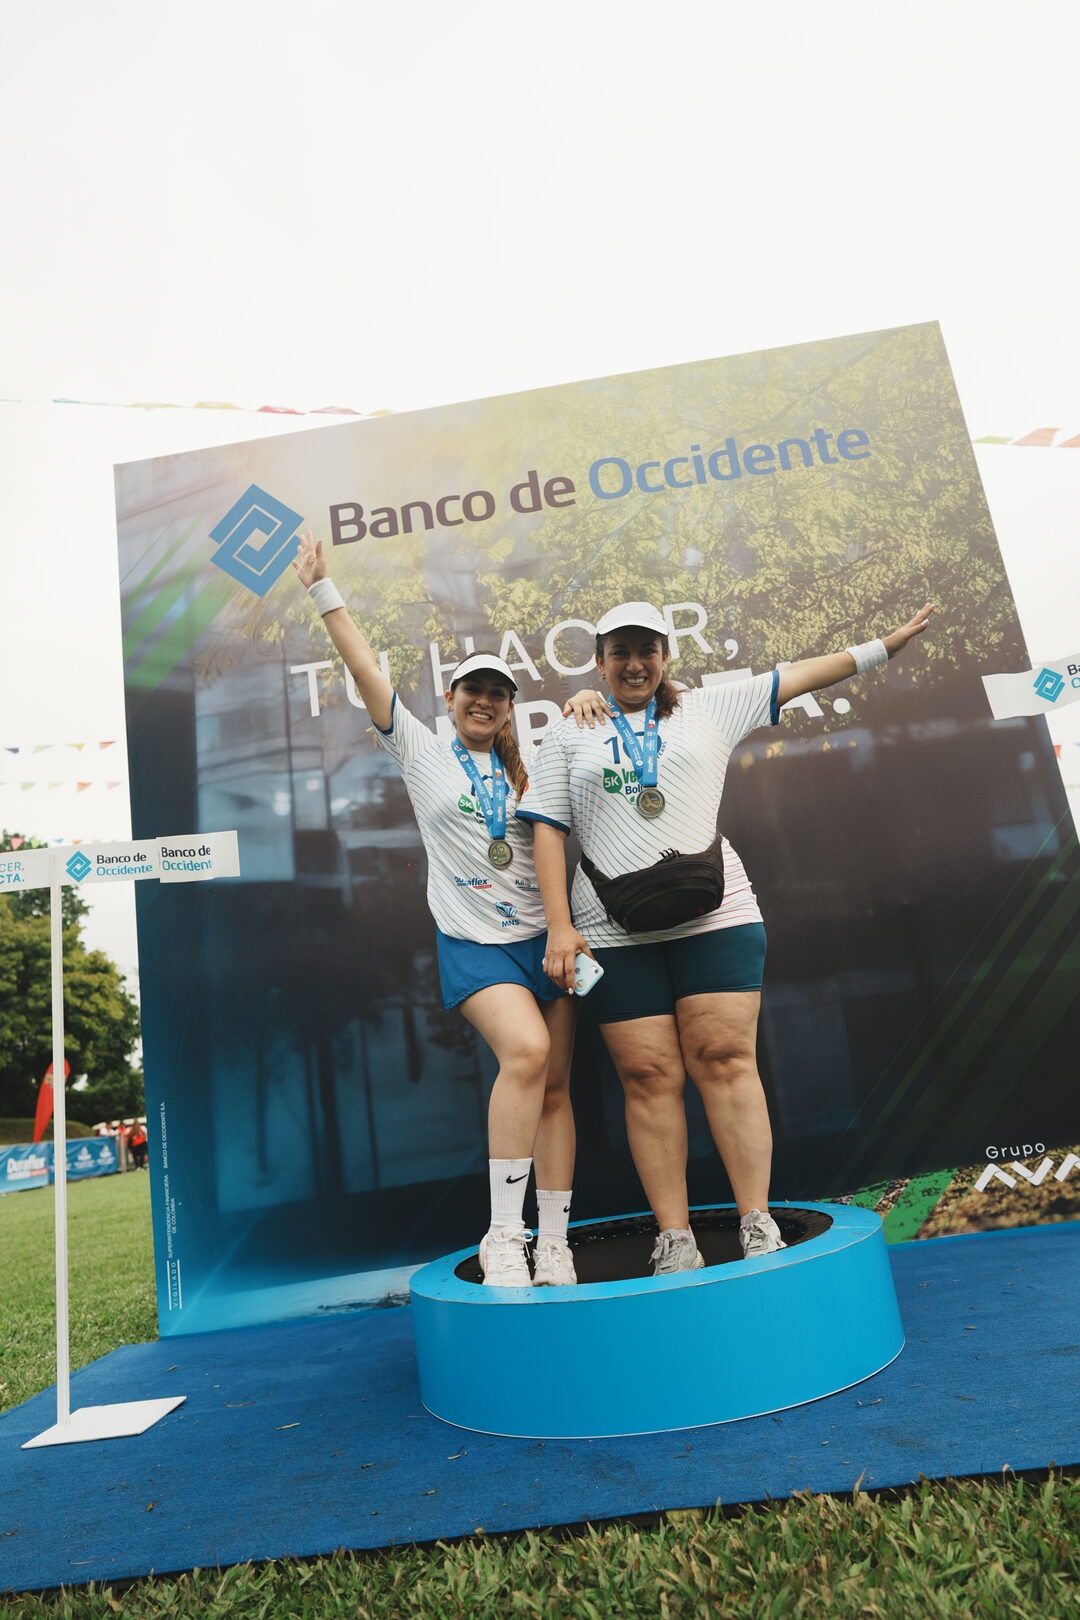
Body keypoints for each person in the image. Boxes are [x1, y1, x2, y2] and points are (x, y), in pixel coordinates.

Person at [521, 598, 936, 1275]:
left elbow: (800, 675)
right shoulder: (570, 731)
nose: (634, 663)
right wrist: (561, 928)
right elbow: (546, 828)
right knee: (648, 1078)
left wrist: (882, 647)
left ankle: (757, 1222)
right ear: (599, 661)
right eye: (620, 652)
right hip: (609, 931)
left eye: (647, 649)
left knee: (725, 1060)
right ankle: (675, 1238)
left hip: (716, 917)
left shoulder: (709, 707)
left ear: (665, 656)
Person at [292, 533, 608, 1288]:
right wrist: (323, 591)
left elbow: (599, 750)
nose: (484, 700)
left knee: (555, 1088)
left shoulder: (537, 760)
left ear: (509, 707)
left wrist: (586, 702)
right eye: (473, 690)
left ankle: (553, 1244)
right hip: (474, 942)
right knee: (525, 1054)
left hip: (550, 941)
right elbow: (365, 670)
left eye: (497, 693)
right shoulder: (422, 751)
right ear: (452, 698)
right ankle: (503, 1236)